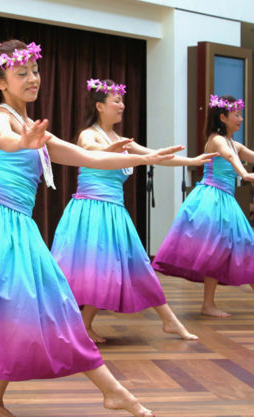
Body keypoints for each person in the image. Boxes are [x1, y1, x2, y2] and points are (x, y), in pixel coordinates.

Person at [0, 40, 180, 417]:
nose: (32, 78)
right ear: (0, 80)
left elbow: (90, 158)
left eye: (35, 71)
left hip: (13, 225)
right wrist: (23, 142)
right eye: (22, 73)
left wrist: (144, 158)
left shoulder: (34, 128)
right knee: (34, 309)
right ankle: (110, 391)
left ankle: (10, 402)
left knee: (21, 312)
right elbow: (5, 139)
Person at [50, 78, 215, 343]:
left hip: (114, 213)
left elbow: (156, 156)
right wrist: (111, 149)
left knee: (124, 268)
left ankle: (163, 322)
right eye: (116, 101)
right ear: (99, 106)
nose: (122, 105)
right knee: (95, 271)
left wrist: (192, 161)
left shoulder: (120, 139)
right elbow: (94, 151)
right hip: (91, 211)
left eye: (122, 100)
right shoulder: (88, 134)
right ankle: (70, 326)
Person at [152, 95, 254, 318]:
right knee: (223, 247)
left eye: (241, 114)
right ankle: (238, 301)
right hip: (211, 198)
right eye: (236, 115)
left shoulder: (234, 143)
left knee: (237, 246)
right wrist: (244, 173)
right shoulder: (217, 140)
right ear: (222, 117)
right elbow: (229, 157)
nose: (240, 118)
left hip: (225, 200)